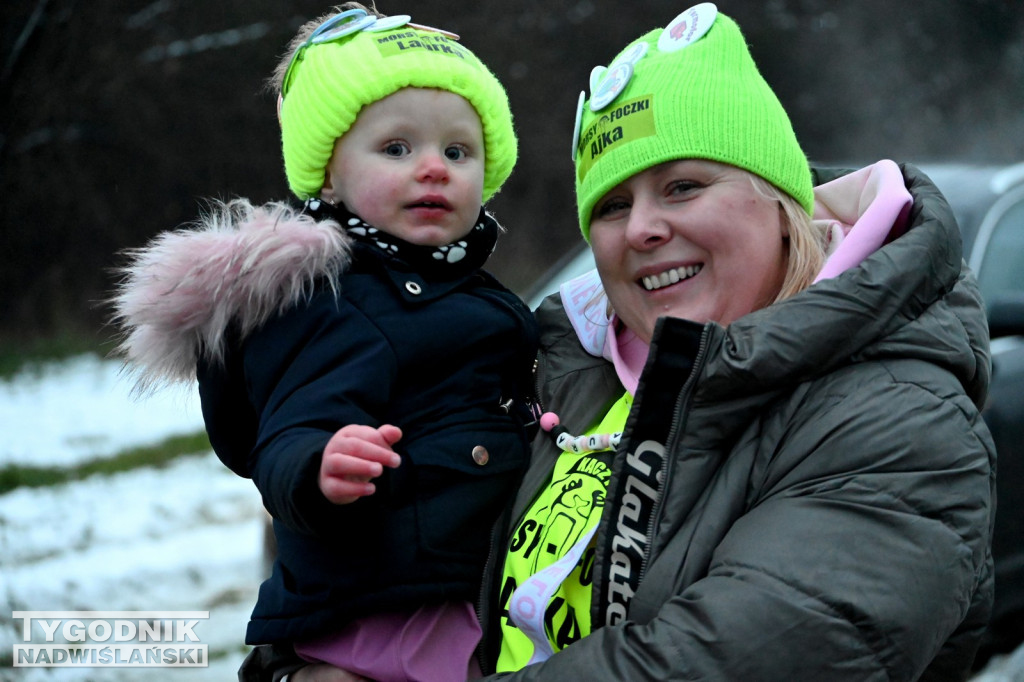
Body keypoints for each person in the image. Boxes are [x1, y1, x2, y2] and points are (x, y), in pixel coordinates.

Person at [472, 5, 995, 681]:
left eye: (682, 187)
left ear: (781, 204)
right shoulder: (566, 373)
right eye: (612, 205)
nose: (641, 229)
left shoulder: (901, 418)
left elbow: (713, 662)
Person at [111, 4, 537, 681]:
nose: (433, 168)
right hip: (385, 618)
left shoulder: (471, 291)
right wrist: (320, 469)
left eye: (458, 151)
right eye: (397, 148)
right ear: (330, 175)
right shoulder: (331, 303)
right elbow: (283, 434)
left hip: (461, 594)